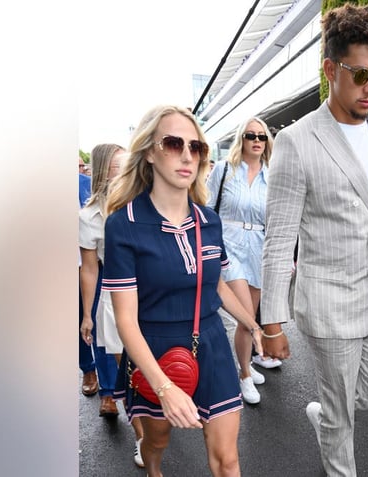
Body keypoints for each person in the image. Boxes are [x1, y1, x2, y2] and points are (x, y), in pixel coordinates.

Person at [260, 4, 368, 476]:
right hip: (330, 303)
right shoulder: (297, 141)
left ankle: (324, 413)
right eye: (360, 74)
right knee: (343, 418)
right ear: (330, 69)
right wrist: (272, 322)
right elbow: (280, 237)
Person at [104, 105, 264, 477]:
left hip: (210, 343)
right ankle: (154, 470)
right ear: (149, 152)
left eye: (198, 147)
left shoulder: (210, 220)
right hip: (154, 348)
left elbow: (216, 284)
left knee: (227, 459)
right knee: (157, 442)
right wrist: (163, 388)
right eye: (174, 143)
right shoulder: (123, 225)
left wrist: (253, 325)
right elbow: (125, 319)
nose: (188, 155)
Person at [79, 143, 146, 466]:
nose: (125, 170)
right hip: (114, 300)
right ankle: (143, 438)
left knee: (155, 371)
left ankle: (156, 426)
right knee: (132, 375)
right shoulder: (89, 216)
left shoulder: (145, 201)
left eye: (127, 164)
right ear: (104, 171)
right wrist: (87, 316)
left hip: (152, 295)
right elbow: (90, 269)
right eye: (118, 166)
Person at [207, 117, 276, 405]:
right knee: (246, 317)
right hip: (229, 245)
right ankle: (245, 376)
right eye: (251, 135)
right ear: (242, 139)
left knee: (253, 313)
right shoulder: (224, 170)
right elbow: (207, 208)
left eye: (262, 135)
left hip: (259, 247)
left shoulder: (273, 175)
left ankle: (245, 361)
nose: (257, 140)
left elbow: (277, 219)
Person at [79, 163, 97, 397]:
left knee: (93, 316)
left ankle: (111, 392)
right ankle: (88, 369)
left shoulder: (85, 183)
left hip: (89, 259)